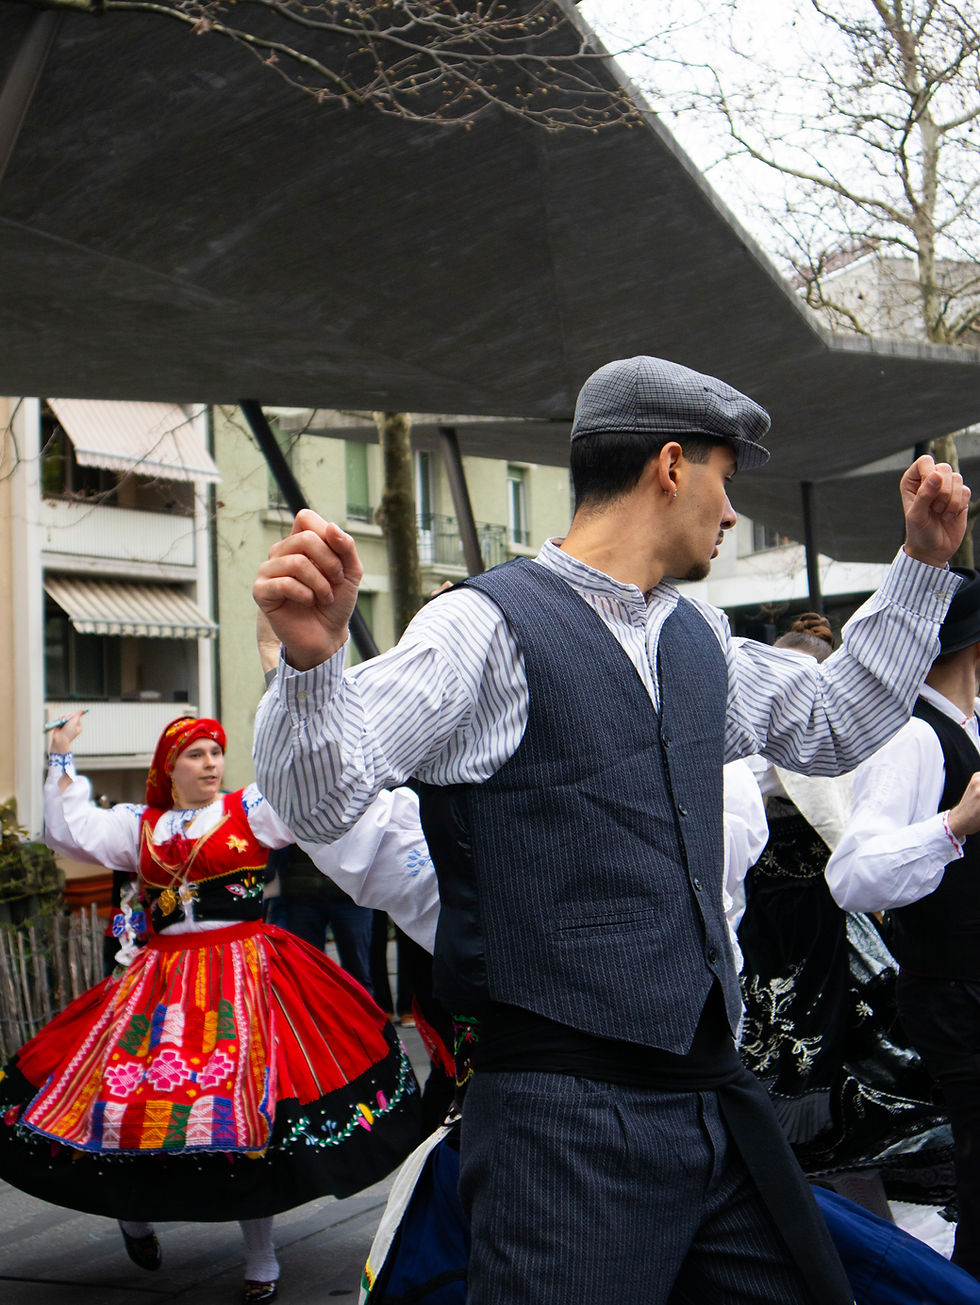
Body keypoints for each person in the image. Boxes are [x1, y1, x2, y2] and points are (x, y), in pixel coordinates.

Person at [252, 353, 970, 1305]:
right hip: (562, 1127)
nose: (727, 512)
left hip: (716, 1100)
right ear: (671, 466)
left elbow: (834, 719)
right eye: (725, 479)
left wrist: (920, 563)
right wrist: (310, 670)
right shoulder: (482, 627)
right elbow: (320, 796)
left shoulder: (700, 635)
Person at [0, 713, 423, 1304]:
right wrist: (62, 757)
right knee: (127, 1100)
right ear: (169, 768)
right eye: (196, 754)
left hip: (244, 972)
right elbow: (71, 829)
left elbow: (308, 799)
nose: (210, 764)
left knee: (247, 1113)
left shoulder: (249, 809)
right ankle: (134, 1217)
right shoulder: (141, 826)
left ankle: (261, 1255)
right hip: (161, 980)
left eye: (216, 753)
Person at [738, 615, 952, 1215]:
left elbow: (842, 827)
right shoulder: (761, 740)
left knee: (839, 1043)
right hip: (778, 919)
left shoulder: (822, 739)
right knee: (803, 1040)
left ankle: (839, 1202)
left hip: (815, 919)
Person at [826, 568, 980, 1281]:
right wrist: (952, 826)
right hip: (953, 989)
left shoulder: (965, 726)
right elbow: (852, 875)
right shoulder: (913, 738)